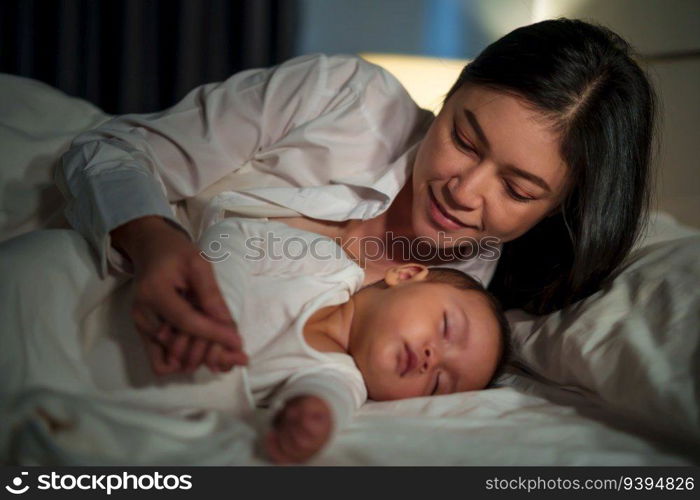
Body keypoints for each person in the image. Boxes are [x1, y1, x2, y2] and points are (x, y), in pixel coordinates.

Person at [56, 18, 656, 376]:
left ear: (557, 209)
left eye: (518, 190)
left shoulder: (469, 316)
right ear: (447, 99)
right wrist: (151, 238)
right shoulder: (342, 97)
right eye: (464, 140)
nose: (465, 191)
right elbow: (108, 150)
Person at [196, 218, 510, 463]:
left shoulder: (343, 380)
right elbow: (232, 236)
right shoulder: (327, 267)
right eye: (446, 328)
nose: (433, 360)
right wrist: (216, 308)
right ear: (405, 276)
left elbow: (327, 400)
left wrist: (312, 418)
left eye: (438, 384)